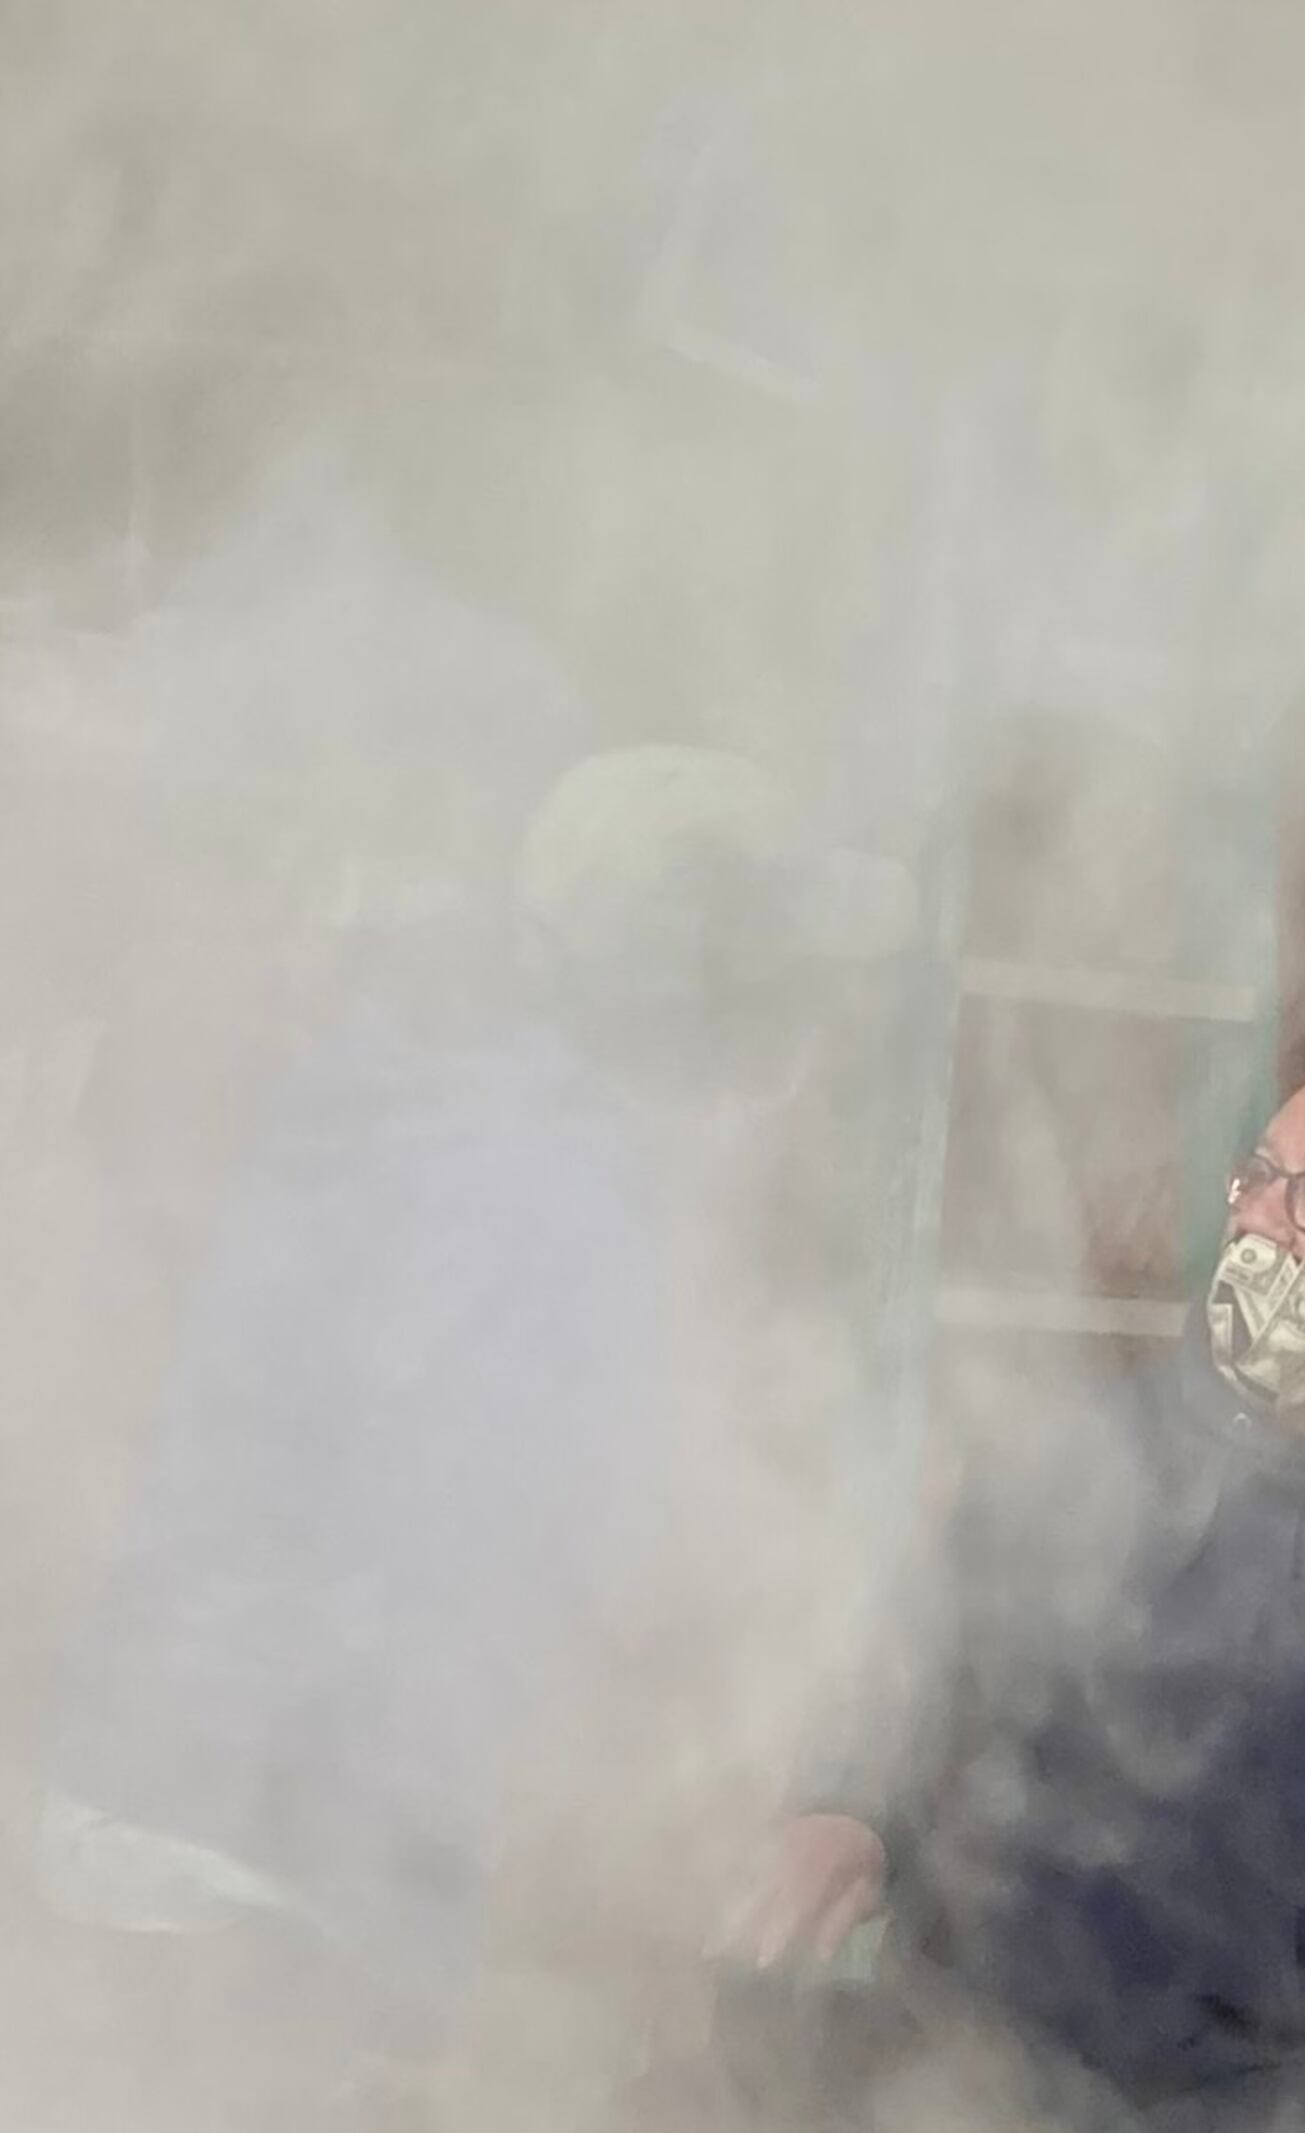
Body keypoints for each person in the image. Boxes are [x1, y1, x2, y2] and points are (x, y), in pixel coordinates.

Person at [41, 744, 914, 2127]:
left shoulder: (436, 1102)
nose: (814, 1057)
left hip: (177, 1835)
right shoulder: (550, 1205)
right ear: (719, 1007)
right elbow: (442, 1632)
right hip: (252, 1887)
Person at [737, 1031, 1305, 2133]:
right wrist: (844, 1805)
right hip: (970, 2076)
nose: (1256, 1219)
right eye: (1260, 1179)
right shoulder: (1096, 1448)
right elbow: (934, 1657)